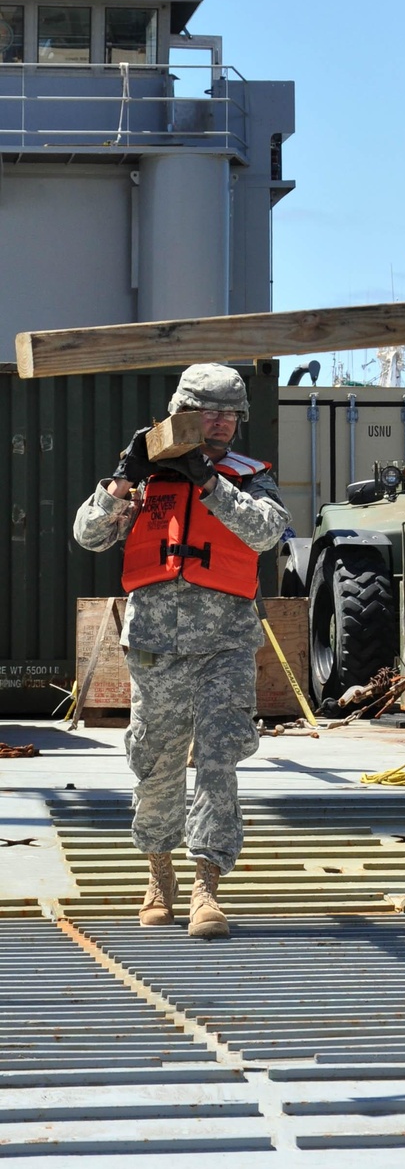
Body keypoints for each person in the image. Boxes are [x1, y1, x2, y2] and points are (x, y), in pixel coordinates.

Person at [73, 363, 290, 939]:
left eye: (228, 413)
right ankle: (158, 873)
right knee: (155, 759)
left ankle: (206, 885)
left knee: (220, 757)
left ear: (239, 420)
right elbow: (90, 536)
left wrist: (210, 484)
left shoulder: (250, 478)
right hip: (154, 645)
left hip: (225, 644)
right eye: (205, 412)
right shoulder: (147, 476)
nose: (218, 423)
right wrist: (123, 478)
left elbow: (268, 533)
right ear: (179, 414)